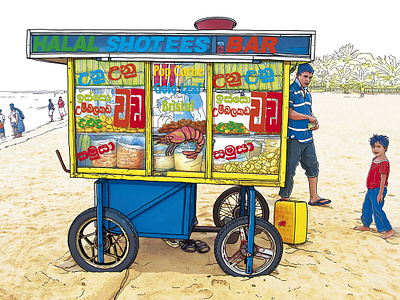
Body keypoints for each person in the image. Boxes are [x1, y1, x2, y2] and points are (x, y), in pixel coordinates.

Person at [278, 63, 331, 206]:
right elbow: (289, 113)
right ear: (298, 75)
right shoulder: (290, 90)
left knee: (313, 167)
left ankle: (313, 197)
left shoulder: (307, 93)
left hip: (307, 137)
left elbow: (309, 111)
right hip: (294, 136)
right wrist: (308, 118)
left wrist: (315, 121)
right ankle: (285, 197)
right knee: (290, 168)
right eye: (305, 76)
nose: (307, 80)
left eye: (310, 77)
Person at [354, 135, 395, 239]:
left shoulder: (384, 163)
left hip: (378, 190)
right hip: (370, 189)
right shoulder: (375, 159)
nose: (375, 149)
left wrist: (381, 193)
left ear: (385, 148)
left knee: (377, 209)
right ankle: (366, 224)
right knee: (367, 206)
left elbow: (383, 179)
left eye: (378, 146)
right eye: (373, 147)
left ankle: (388, 229)